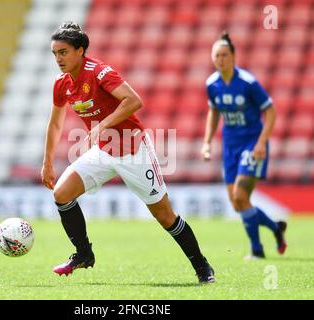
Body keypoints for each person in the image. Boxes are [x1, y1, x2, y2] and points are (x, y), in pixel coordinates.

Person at [41, 21, 215, 283]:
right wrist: (47, 163)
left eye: (63, 52)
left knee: (164, 215)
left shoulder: (99, 72)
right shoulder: (61, 83)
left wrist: (102, 125)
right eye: (54, 53)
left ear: (80, 51)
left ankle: (202, 266)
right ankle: (83, 254)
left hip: (134, 151)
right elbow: (55, 123)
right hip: (103, 151)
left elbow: (134, 100)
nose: (58, 59)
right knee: (62, 194)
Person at [201, 31, 287, 259]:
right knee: (238, 203)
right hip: (230, 146)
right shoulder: (212, 84)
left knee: (240, 196)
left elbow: (270, 112)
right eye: (216, 56)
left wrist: (261, 143)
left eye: (224, 55)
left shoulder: (248, 83)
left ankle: (257, 250)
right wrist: (207, 142)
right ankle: (276, 228)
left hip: (251, 143)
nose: (220, 59)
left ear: (233, 56)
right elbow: (213, 111)